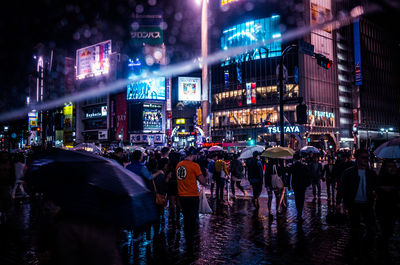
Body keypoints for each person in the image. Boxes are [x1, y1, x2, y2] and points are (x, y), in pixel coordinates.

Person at [338, 149, 377, 259]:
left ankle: (365, 248)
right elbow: (342, 188)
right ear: (358, 159)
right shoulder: (349, 173)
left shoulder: (371, 173)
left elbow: (375, 186)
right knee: (355, 227)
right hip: (353, 203)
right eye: (363, 157)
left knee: (372, 227)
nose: (366, 160)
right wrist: (339, 203)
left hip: (367, 203)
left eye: (367, 157)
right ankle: (356, 249)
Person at [176, 147, 206, 238]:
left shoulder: (179, 165)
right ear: (193, 155)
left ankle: (186, 235)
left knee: (186, 217)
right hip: (192, 195)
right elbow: (203, 181)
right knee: (192, 218)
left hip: (181, 196)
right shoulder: (194, 166)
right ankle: (191, 239)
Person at [375, 160, 399, 261]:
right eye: (389, 166)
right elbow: (376, 188)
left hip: (394, 207)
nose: (391, 168)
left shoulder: (397, 177)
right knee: (384, 229)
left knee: (390, 229)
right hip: (383, 206)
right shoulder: (381, 177)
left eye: (393, 166)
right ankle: (383, 250)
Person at [289, 153, 310, 222]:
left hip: (296, 185)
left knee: (297, 200)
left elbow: (289, 174)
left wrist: (289, 185)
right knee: (301, 199)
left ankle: (299, 213)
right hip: (302, 185)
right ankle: (300, 213)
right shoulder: (303, 166)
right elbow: (307, 175)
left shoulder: (293, 166)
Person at [0, 151, 15, 224]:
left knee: (6, 198)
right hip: (2, 182)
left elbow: (12, 173)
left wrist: (12, 182)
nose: (5, 157)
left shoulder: (10, 164)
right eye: (3, 156)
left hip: (7, 183)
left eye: (6, 156)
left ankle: (5, 212)